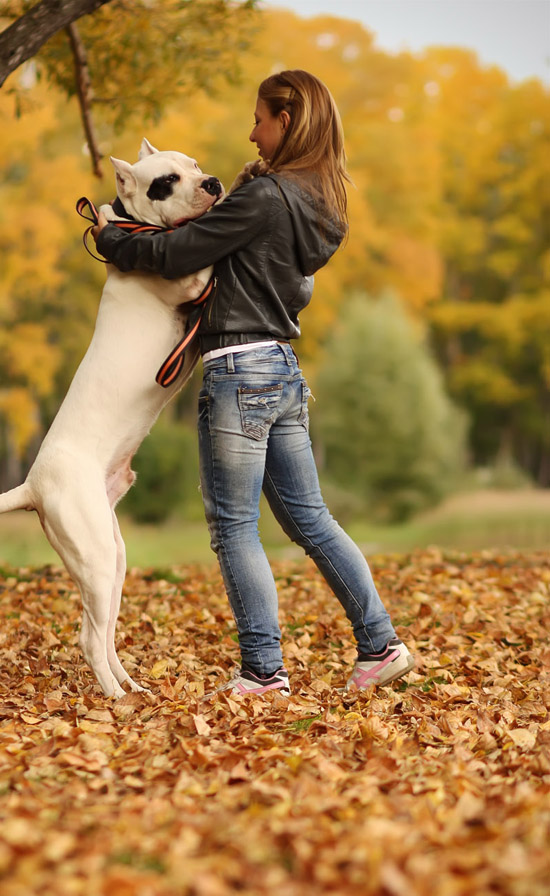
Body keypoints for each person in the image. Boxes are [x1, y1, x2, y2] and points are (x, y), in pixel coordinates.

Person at [93, 69, 414, 696]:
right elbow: (290, 286)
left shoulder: (262, 198)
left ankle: (263, 671)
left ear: (287, 121)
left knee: (235, 526)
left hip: (238, 372)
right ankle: (381, 645)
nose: (251, 132)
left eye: (260, 119)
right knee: (310, 519)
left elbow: (173, 254)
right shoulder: (314, 206)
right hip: (282, 371)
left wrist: (110, 238)